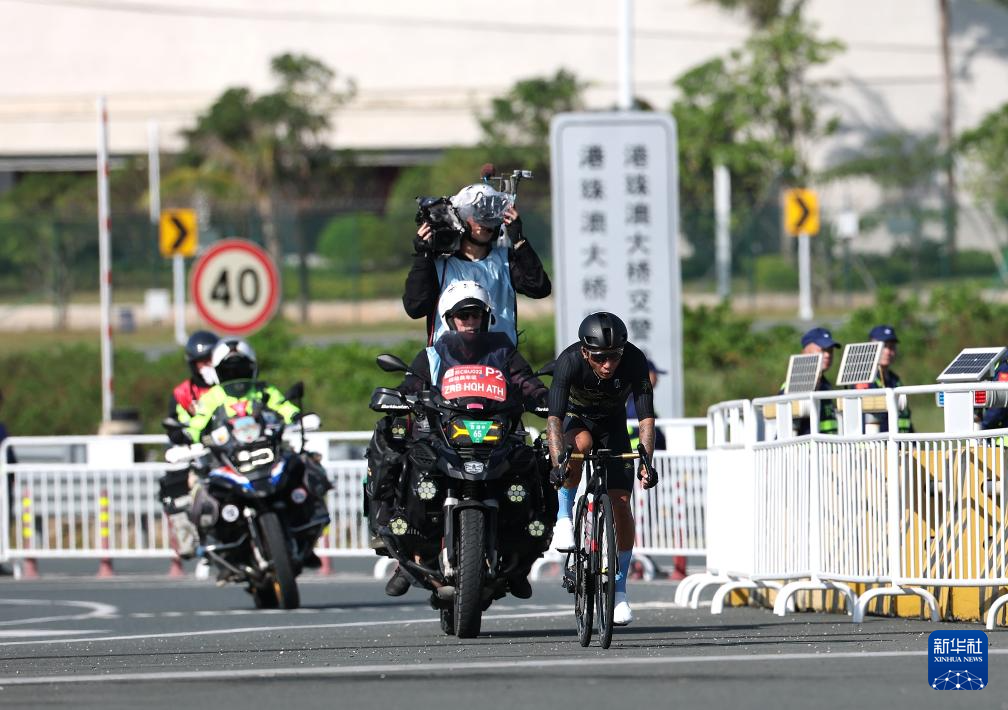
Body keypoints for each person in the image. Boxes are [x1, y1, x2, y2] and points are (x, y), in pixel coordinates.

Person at [377, 281, 549, 598]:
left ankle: (523, 557)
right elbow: (409, 387)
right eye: (462, 315)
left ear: (486, 318)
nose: (469, 321)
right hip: (442, 435)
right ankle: (399, 545)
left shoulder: (503, 352)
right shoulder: (431, 356)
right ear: (449, 318)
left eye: (475, 314)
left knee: (537, 464)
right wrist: (399, 400)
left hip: (496, 434)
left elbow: (527, 383)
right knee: (394, 449)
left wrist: (543, 398)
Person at [547, 312, 658, 626]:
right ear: (585, 352)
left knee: (621, 505)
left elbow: (646, 418)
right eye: (600, 358)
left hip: (614, 427)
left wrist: (647, 462)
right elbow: (554, 420)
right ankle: (565, 517)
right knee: (578, 445)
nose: (608, 364)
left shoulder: (635, 360)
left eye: (614, 357)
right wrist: (559, 464)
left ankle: (620, 591)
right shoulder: (569, 361)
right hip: (578, 422)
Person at [185, 338, 329, 568]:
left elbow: (284, 406)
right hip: (229, 458)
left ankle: (304, 531)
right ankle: (212, 539)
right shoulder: (213, 397)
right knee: (202, 487)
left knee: (304, 468)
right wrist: (187, 439)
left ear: (252, 368)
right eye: (229, 370)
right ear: (218, 373)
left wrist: (298, 418)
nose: (236, 375)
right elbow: (197, 423)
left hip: (267, 451)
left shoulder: (263, 390)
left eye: (241, 368)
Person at [403, 181, 551, 345]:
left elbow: (539, 288)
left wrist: (519, 241)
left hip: (498, 362)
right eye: (477, 213)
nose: (485, 220)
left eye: (490, 213)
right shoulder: (438, 265)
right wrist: (422, 256)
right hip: (449, 364)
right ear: (460, 217)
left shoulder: (505, 261)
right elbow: (415, 308)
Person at [856, 325, 913, 433]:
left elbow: (905, 417)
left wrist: (913, 444)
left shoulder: (895, 380)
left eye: (891, 347)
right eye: (883, 346)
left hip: (902, 446)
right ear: (871, 348)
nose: (887, 351)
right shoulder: (863, 378)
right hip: (877, 446)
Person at [784, 327, 840, 436]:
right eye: (822, 350)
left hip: (827, 450)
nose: (828, 355)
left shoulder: (825, 384)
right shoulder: (794, 385)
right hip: (804, 452)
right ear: (804, 352)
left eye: (830, 350)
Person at [169, 330, 219, 424]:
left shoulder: (228, 387)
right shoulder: (182, 393)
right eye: (204, 362)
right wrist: (190, 414)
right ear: (194, 364)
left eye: (211, 360)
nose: (209, 365)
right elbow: (174, 429)